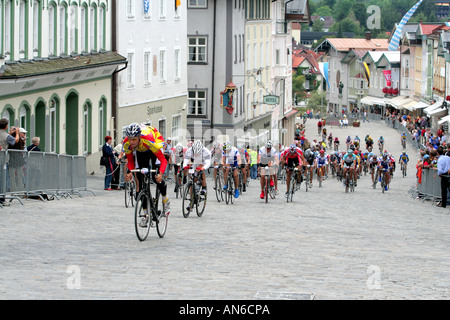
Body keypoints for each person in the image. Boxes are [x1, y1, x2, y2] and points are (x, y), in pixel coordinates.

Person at [122, 123, 170, 227]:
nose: (131, 141)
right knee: (139, 179)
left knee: (155, 177)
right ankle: (145, 215)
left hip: (154, 146)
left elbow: (163, 160)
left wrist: (161, 173)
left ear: (139, 137)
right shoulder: (127, 143)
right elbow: (130, 160)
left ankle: (165, 199)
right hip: (141, 151)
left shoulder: (148, 140)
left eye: (134, 139)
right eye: (130, 139)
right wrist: (130, 171)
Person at [183, 140, 211, 212]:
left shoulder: (206, 152)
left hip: (203, 160)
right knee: (192, 178)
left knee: (201, 170)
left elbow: (207, 163)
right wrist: (185, 167)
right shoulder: (189, 151)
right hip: (193, 160)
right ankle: (191, 201)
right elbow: (186, 161)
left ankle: (204, 187)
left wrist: (203, 168)